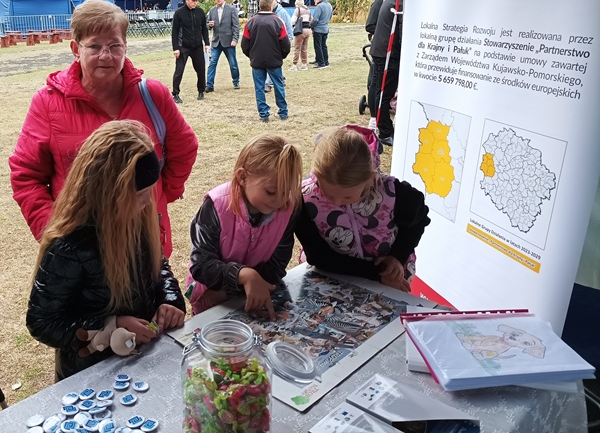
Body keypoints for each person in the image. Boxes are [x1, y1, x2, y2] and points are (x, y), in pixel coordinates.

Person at [9, 0, 197, 258]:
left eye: (114, 45)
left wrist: (161, 193)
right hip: (81, 247)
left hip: (145, 239)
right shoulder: (48, 102)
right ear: (76, 48)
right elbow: (26, 175)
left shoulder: (152, 95)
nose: (106, 56)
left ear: (126, 46)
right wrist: (54, 230)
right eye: (94, 46)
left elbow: (185, 147)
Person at [26, 120, 186, 380]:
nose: (148, 202)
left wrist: (169, 301)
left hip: (142, 360)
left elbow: (159, 266)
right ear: (110, 193)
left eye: (149, 192)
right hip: (92, 375)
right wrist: (111, 327)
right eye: (141, 193)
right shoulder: (69, 245)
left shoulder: (135, 221)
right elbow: (42, 323)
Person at [295, 125, 429, 293]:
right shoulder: (304, 199)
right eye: (327, 193)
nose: (337, 202)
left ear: (371, 179)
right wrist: (376, 274)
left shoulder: (394, 194)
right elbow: (319, 256)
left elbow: (419, 220)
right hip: (331, 279)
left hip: (389, 281)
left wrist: (397, 256)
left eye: (347, 197)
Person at [186, 133, 303, 316]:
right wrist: (243, 276)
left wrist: (256, 285)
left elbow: (279, 261)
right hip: (212, 297)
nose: (280, 201)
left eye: (286, 191)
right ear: (242, 177)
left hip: (256, 297)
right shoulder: (216, 205)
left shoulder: (288, 208)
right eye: (271, 191)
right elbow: (201, 265)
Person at [241, 0, 291, 122]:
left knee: (259, 87)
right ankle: (283, 112)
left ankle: (263, 114)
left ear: (259, 6)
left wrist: (251, 55)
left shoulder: (251, 22)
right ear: (271, 7)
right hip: (274, 59)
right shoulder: (278, 21)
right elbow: (285, 43)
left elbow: (244, 44)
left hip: (257, 60)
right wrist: (281, 56)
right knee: (278, 85)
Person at [368, 0, 403, 146]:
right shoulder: (398, 1)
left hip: (385, 52)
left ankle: (384, 128)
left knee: (381, 91)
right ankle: (385, 131)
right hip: (388, 54)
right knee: (383, 92)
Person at [171, 0, 210, 103]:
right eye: (193, 1)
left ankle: (201, 90)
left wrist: (206, 43)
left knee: (201, 69)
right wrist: (176, 48)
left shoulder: (200, 12)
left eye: (196, 1)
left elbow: (204, 29)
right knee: (179, 70)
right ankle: (175, 94)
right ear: (187, 0)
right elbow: (175, 31)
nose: (195, 3)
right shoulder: (179, 13)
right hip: (183, 46)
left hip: (197, 46)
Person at [205, 0, 240, 92]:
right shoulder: (212, 10)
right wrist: (209, 25)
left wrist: (235, 39)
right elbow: (206, 25)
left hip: (229, 41)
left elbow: (236, 26)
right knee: (212, 63)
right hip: (216, 42)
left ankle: (236, 81)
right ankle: (209, 85)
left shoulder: (231, 9)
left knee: (233, 64)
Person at [264, 0, 292, 93]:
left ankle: (268, 84)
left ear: (276, 1)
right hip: (271, 42)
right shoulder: (268, 12)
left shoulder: (282, 12)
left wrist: (288, 41)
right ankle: (280, 78)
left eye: (271, 0)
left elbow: (288, 27)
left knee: (272, 62)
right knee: (275, 63)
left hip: (281, 41)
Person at [289, 0, 312, 71]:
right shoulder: (308, 10)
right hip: (307, 30)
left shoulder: (297, 10)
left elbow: (293, 20)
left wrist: (293, 25)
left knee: (297, 48)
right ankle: (304, 64)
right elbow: (311, 20)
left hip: (300, 30)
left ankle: (294, 65)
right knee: (304, 48)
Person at [310, 0, 333, 69]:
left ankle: (321, 63)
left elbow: (315, 19)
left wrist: (311, 26)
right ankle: (325, 61)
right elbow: (330, 17)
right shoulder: (329, 5)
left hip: (318, 29)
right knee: (323, 45)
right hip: (325, 28)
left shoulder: (319, 6)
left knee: (318, 46)